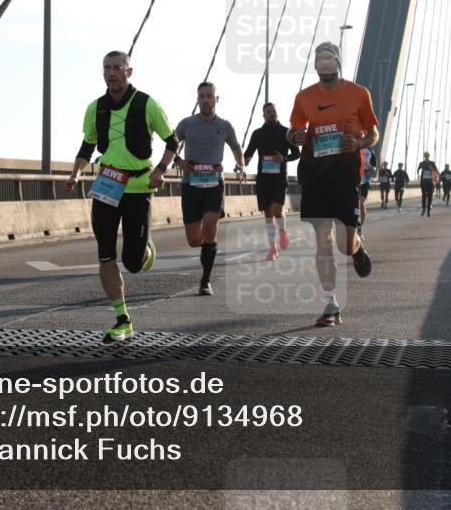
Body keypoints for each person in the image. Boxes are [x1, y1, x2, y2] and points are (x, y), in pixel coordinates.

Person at [65, 50, 179, 343]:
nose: (111, 73)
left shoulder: (146, 104)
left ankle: (144, 248)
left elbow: (172, 141)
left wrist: (162, 169)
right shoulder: (95, 108)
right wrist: (75, 173)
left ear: (129, 72)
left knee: (132, 262)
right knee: (105, 253)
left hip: (139, 186)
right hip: (107, 185)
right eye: (107, 68)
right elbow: (87, 145)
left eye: (117, 68)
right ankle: (122, 318)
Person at [287, 41, 378, 327]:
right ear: (315, 65)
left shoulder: (359, 94)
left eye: (330, 60)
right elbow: (293, 130)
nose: (325, 65)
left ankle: (358, 246)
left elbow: (373, 132)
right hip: (314, 175)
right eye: (320, 60)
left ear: (338, 63)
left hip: (345, 175)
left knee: (343, 244)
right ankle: (331, 303)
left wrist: (361, 142)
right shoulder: (304, 97)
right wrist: (295, 137)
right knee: (323, 241)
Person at [174, 82, 246, 296]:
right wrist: (178, 160)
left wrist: (241, 165)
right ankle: (207, 249)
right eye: (202, 96)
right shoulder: (186, 124)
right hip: (191, 184)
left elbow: (236, 148)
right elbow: (171, 144)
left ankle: (205, 281)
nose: (206, 100)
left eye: (209, 96)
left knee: (210, 227)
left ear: (217, 99)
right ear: (197, 100)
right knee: (195, 240)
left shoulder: (225, 126)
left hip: (215, 183)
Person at [244, 102, 300, 261]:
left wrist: (284, 158)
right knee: (268, 213)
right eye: (268, 112)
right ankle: (272, 248)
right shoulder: (257, 133)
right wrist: (244, 161)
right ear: (263, 115)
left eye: (273, 111)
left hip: (279, 179)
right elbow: (249, 152)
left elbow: (297, 153)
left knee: (276, 209)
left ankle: (282, 231)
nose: (271, 114)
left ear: (277, 113)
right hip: (263, 179)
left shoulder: (286, 133)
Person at [357, 146, 378, 240]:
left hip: (365, 181)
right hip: (355, 180)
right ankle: (355, 224)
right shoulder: (355, 149)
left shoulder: (370, 151)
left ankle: (360, 227)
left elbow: (374, 166)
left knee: (361, 204)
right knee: (353, 204)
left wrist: (372, 168)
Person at [416, 151, 439, 217]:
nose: (426, 157)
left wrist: (438, 176)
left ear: (429, 156)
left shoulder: (432, 163)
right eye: (425, 156)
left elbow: (436, 170)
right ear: (424, 156)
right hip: (423, 182)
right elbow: (418, 169)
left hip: (431, 182)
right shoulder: (421, 163)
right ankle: (423, 209)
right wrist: (418, 175)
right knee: (423, 195)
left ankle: (428, 210)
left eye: (427, 156)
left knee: (430, 196)